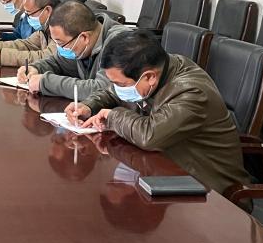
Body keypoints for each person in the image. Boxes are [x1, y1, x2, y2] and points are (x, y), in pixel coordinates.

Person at [65, 30, 248, 195]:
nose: (117, 88)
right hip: (166, 172)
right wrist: (88, 106)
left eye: (121, 84)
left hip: (209, 190)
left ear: (150, 77)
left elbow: (150, 135)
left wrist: (113, 116)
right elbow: (112, 92)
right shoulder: (157, 69)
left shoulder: (191, 91)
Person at [17, 1, 131, 96]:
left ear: (84, 37)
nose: (59, 48)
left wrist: (46, 83)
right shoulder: (83, 45)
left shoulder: (120, 43)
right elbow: (58, 62)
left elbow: (103, 89)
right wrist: (36, 68)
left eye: (61, 43)